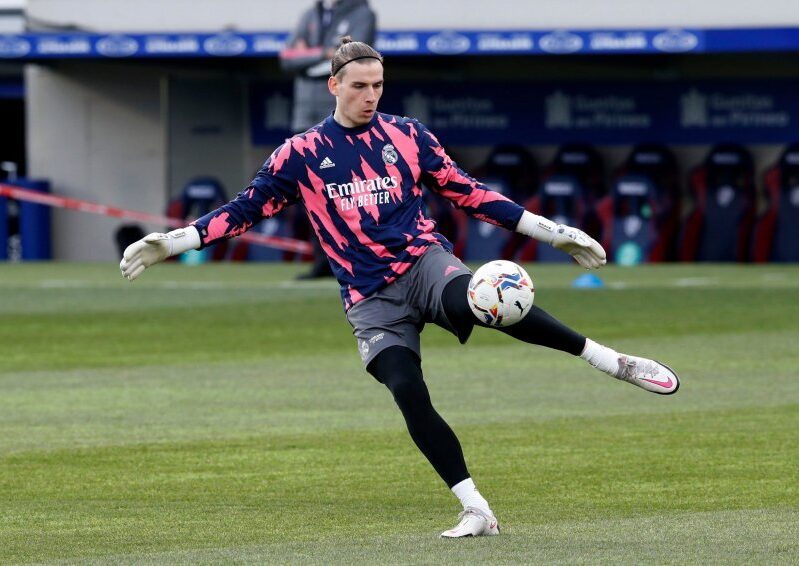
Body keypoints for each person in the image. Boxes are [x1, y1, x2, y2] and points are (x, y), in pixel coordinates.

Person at [120, 38, 680, 539]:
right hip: (369, 298)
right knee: (406, 388)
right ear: (333, 85)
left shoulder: (407, 136)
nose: (370, 95)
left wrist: (551, 233)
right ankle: (476, 509)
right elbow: (246, 209)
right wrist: (173, 241)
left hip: (423, 264)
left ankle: (610, 360)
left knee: (491, 299)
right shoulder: (300, 154)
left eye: (378, 85)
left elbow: (469, 191)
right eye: (359, 86)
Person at [280, 0, 377, 278]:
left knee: (352, 188)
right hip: (304, 116)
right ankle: (325, 260)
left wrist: (309, 58)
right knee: (312, 190)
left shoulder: (362, 13)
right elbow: (287, 58)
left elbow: (351, 59)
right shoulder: (310, 14)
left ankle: (362, 258)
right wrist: (324, 55)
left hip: (342, 115)